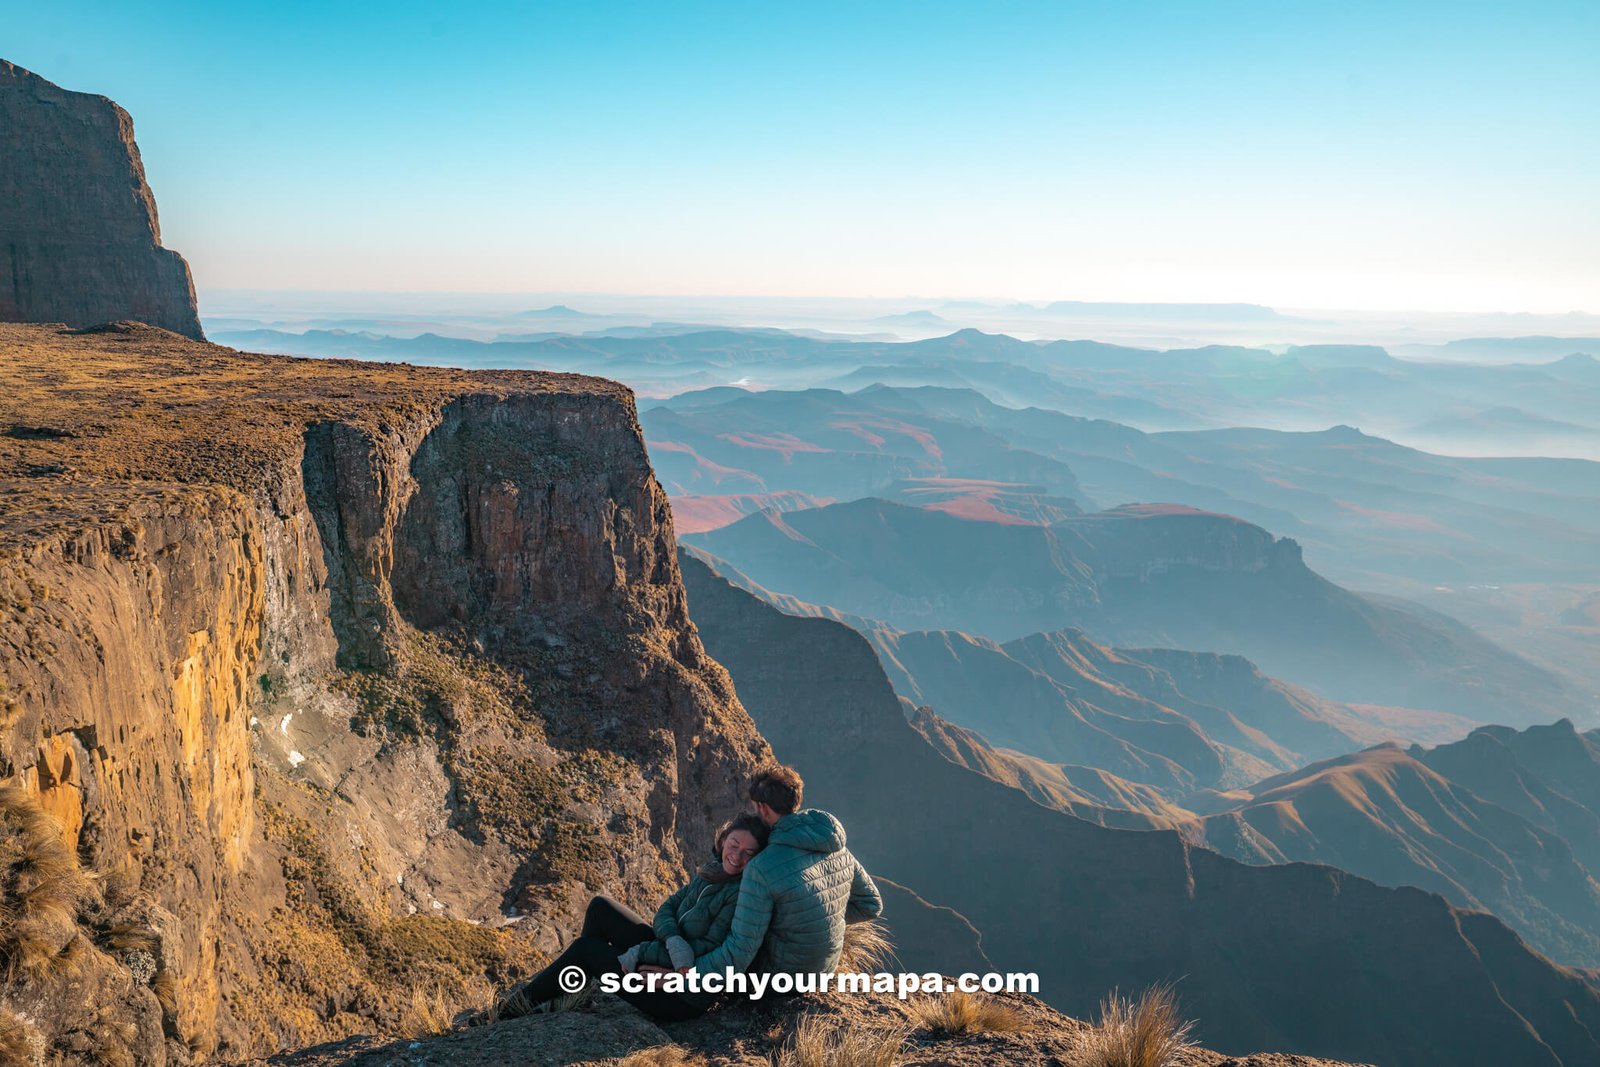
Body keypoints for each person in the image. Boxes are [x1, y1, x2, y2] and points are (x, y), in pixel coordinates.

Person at [485, 813, 769, 1023]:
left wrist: (673, 974)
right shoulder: (711, 871)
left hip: (678, 993)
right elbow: (668, 908)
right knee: (600, 907)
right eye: (734, 844)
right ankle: (577, 990)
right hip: (664, 952)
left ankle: (506, 1013)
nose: (737, 855)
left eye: (748, 852)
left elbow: (711, 949)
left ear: (756, 858)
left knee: (585, 951)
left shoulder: (741, 894)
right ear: (723, 840)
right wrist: (670, 939)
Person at [691, 763, 882, 981]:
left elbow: (740, 951)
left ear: (762, 808)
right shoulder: (837, 848)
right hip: (824, 970)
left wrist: (686, 976)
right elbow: (871, 904)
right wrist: (816, 923)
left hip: (779, 977)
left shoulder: (761, 867)